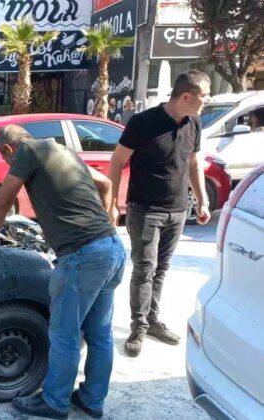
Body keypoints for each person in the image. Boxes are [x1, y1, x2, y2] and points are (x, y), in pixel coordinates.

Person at [0, 125, 125, 420]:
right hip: (111, 249)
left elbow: (2, 200)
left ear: (8, 150)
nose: (8, 165)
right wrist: (105, 221)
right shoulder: (62, 151)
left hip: (82, 257)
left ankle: (55, 402)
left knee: (64, 334)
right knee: (99, 333)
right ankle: (93, 400)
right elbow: (105, 184)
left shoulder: (26, 151)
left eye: (5, 161)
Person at [108, 70, 211, 358]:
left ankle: (153, 321)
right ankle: (138, 327)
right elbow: (117, 162)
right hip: (145, 210)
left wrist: (201, 201)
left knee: (161, 269)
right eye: (204, 95)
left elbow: (193, 164)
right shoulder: (142, 123)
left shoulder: (195, 123)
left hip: (177, 210)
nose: (207, 100)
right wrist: (113, 204)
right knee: (144, 269)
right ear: (186, 96)